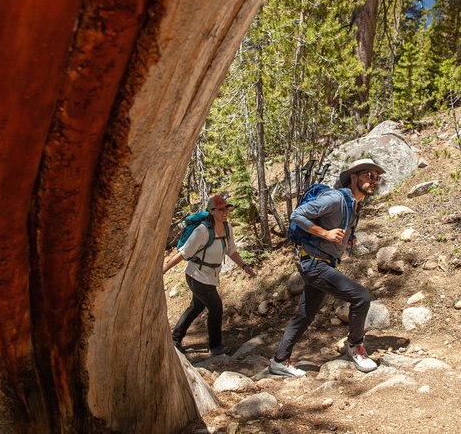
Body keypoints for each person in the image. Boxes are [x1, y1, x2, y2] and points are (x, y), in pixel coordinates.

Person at [268, 158, 386, 377]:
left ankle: (279, 360)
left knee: (305, 315)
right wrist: (325, 233)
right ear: (353, 177)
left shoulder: (353, 205)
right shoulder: (335, 198)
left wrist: (346, 241)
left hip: (320, 262)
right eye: (369, 175)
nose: (374, 180)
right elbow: (297, 215)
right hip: (314, 264)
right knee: (361, 296)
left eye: (377, 177)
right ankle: (355, 346)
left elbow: (335, 230)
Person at [163, 194, 255, 356]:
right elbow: (183, 254)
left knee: (196, 306)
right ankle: (216, 346)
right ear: (211, 211)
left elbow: (231, 251)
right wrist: (163, 270)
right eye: (220, 210)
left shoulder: (228, 228)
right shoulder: (202, 231)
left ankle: (175, 337)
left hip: (210, 276)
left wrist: (244, 266)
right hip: (196, 275)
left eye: (226, 209)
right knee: (216, 307)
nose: (225, 212)